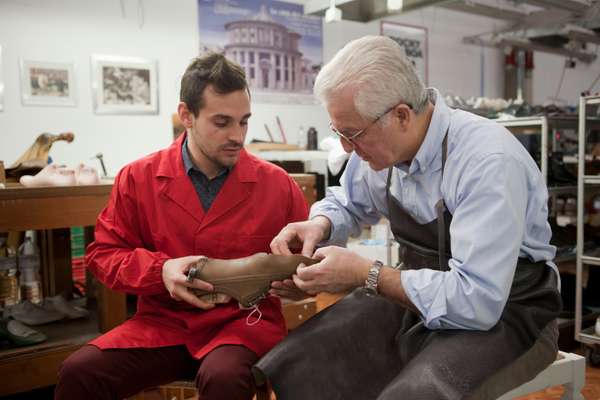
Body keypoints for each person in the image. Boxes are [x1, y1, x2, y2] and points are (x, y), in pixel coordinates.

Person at [258, 35, 562, 400]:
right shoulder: (379, 147)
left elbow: (478, 302)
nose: (345, 148)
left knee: (414, 394)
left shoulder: (486, 161)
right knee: (302, 359)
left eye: (352, 134)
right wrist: (320, 223)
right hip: (416, 293)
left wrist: (364, 274)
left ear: (401, 115)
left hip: (507, 312)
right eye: (339, 133)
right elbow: (349, 201)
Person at [54, 53, 309, 400]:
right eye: (222, 122)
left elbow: (308, 264)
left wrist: (299, 285)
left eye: (244, 121)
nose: (237, 136)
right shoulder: (137, 178)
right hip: (164, 324)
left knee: (223, 378)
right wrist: (161, 271)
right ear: (186, 115)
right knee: (79, 372)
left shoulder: (278, 186)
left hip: (242, 325)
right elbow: (103, 255)